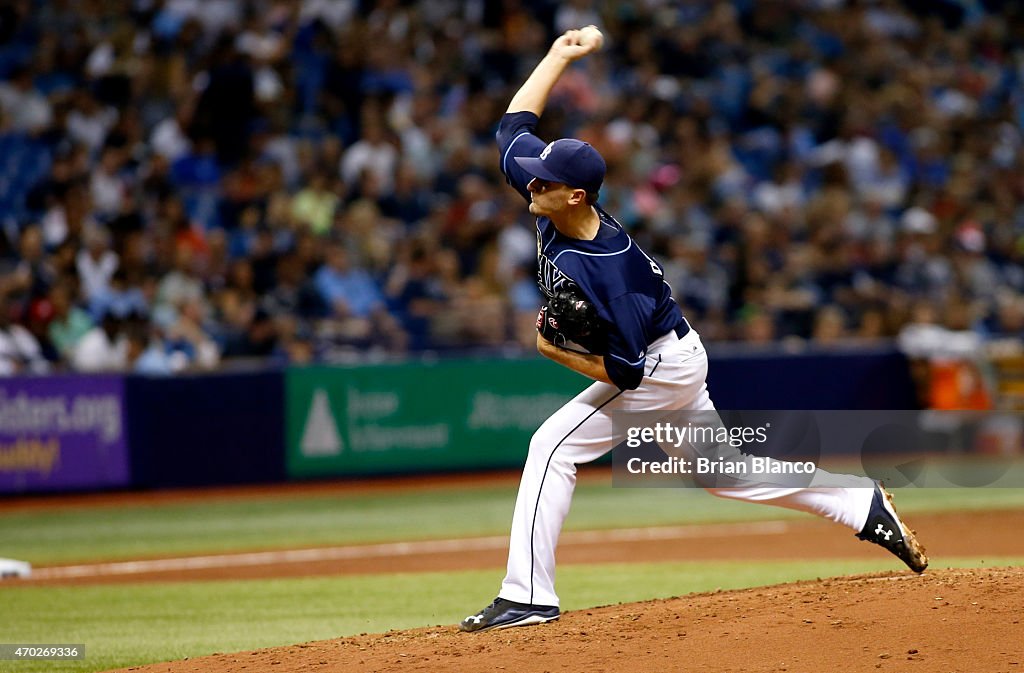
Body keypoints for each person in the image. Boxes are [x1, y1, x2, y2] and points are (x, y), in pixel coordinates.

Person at [459, 27, 928, 634]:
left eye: (544, 182)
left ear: (575, 196)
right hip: (677, 353)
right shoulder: (555, 200)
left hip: (658, 363)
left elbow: (626, 373)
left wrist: (553, 350)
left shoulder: (612, 274)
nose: (531, 184)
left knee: (552, 446)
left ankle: (527, 595)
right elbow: (510, 127)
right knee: (725, 473)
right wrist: (557, 55)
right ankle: (857, 502)